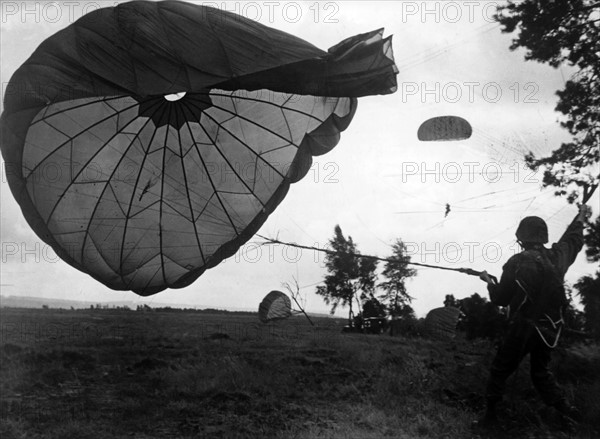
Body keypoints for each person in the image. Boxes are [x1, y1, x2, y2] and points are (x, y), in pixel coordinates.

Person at [477, 204, 592, 428]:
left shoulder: (516, 262)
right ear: (544, 236)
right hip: (551, 328)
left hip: (524, 327)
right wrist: (581, 216)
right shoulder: (558, 257)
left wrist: (489, 282)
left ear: (521, 238)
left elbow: (500, 299)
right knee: (540, 373)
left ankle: (490, 419)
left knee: (500, 369)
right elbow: (574, 240)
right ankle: (569, 412)